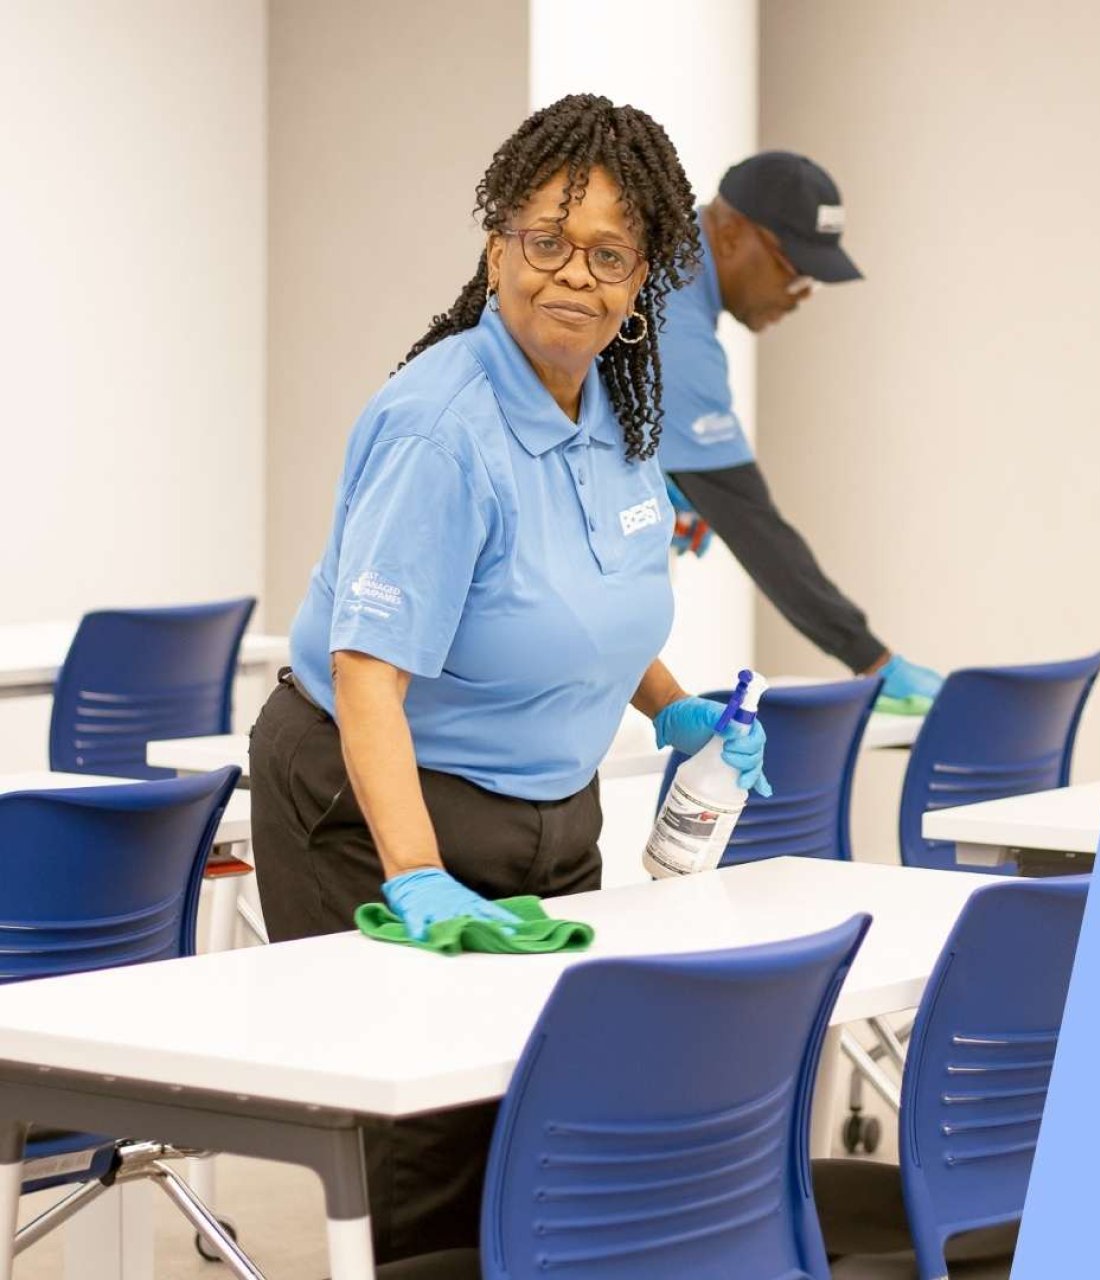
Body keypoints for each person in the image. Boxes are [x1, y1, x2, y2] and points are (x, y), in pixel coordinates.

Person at [247, 94, 769, 1267]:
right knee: (428, 1152)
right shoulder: (441, 428)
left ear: (640, 282)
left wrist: (672, 707)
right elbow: (368, 674)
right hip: (374, 804)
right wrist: (417, 876)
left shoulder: (618, 409)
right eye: (545, 240)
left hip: (546, 810)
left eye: (607, 255)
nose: (572, 276)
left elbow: (586, 598)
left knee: (544, 1129)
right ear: (494, 247)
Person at [659, 151, 943, 708]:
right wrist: (871, 660)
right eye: (796, 269)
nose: (802, 293)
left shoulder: (665, 264)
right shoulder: (679, 331)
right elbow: (756, 528)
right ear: (732, 233)